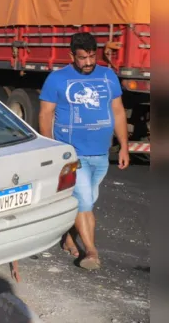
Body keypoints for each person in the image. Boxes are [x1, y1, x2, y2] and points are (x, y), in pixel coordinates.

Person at [38, 32, 130, 270]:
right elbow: (46, 114)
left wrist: (124, 147)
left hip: (100, 154)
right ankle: (91, 251)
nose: (88, 62)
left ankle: (68, 234)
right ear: (72, 56)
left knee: (84, 200)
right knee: (85, 202)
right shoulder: (57, 79)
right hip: (73, 154)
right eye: (82, 58)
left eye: (91, 56)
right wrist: (51, 148)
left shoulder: (108, 76)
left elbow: (118, 111)